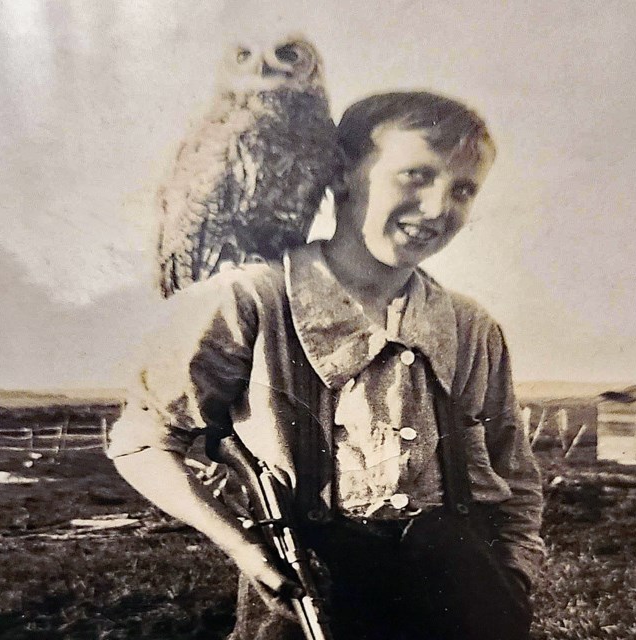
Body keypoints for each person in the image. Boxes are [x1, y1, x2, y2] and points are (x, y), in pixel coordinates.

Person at [109, 91, 544, 640]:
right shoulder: (251, 301)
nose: (437, 207)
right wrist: (244, 548)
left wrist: (513, 584)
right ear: (340, 175)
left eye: (462, 189)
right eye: (415, 175)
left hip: (456, 610)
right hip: (307, 609)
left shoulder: (470, 327)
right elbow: (143, 441)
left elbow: (517, 482)